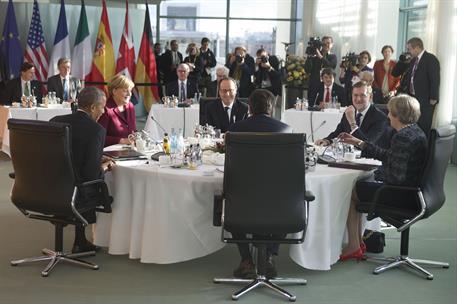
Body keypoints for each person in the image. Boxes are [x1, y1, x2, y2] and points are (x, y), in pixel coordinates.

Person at [337, 95, 427, 261]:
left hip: (401, 194)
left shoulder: (402, 138)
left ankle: (354, 245)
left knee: (353, 190)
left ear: (398, 116)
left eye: (390, 113)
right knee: (361, 185)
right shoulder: (415, 131)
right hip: (416, 193)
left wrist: (376, 174)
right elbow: (390, 156)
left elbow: (396, 178)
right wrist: (359, 143)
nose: (387, 116)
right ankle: (357, 244)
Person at [227, 89, 291, 279]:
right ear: (271, 108)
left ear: (250, 108)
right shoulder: (286, 130)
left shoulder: (236, 130)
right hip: (278, 205)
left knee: (231, 197)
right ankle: (269, 256)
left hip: (242, 203)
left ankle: (246, 260)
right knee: (289, 201)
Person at [51, 87, 115, 253]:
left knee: (79, 180)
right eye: (102, 106)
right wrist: (104, 165)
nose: (104, 111)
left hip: (50, 188)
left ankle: (80, 241)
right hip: (76, 193)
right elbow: (91, 174)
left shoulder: (56, 120)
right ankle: (80, 242)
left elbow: (67, 153)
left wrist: (95, 158)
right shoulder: (96, 130)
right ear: (93, 107)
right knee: (90, 184)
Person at [315, 81, 388, 147]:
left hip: (370, 159)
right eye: (355, 95)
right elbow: (338, 132)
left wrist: (353, 123)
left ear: (370, 97)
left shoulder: (380, 118)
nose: (358, 99)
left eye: (362, 95)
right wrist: (326, 141)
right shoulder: (349, 112)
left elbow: (367, 145)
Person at [392, 37, 440, 135]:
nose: (408, 52)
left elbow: (435, 79)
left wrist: (433, 97)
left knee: (423, 127)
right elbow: (395, 73)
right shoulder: (413, 60)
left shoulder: (430, 59)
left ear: (417, 47)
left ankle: (423, 150)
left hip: (426, 100)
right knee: (413, 128)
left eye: (409, 49)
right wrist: (402, 60)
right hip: (412, 99)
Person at [98, 74, 137, 146]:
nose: (129, 94)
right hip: (110, 152)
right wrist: (122, 141)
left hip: (130, 150)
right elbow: (99, 137)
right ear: (114, 91)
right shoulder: (105, 109)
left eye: (130, 91)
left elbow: (133, 131)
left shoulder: (130, 106)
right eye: (125, 91)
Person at [305, 36, 337, 104]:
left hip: (326, 85)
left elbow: (331, 66)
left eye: (328, 43)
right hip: (314, 84)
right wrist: (309, 57)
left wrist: (320, 57)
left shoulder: (333, 56)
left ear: (332, 44)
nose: (326, 45)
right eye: (324, 43)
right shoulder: (314, 55)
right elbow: (307, 69)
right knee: (311, 104)